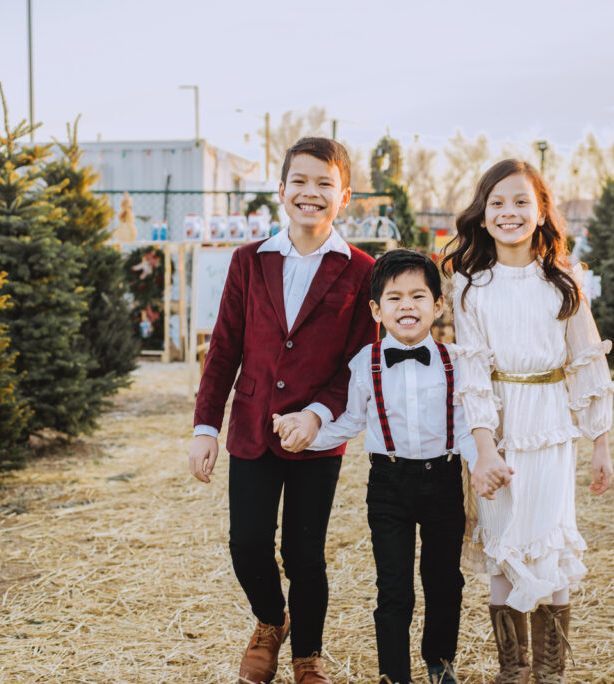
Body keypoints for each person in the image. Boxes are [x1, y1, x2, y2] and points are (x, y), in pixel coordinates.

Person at [188, 137, 378, 684]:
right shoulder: (249, 261)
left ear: (344, 197)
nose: (310, 193)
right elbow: (224, 349)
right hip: (251, 427)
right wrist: (205, 427)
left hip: (316, 437)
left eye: (324, 184)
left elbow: (356, 362)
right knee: (247, 543)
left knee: (304, 554)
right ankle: (270, 623)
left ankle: (307, 655)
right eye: (300, 181)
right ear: (281, 190)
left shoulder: (362, 270)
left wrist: (317, 415)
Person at [274, 249, 508, 684]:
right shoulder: (366, 363)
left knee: (444, 582)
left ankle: (439, 660)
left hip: (442, 481)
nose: (407, 306)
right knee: (393, 586)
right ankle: (393, 674)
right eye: (394, 298)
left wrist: (479, 466)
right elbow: (350, 421)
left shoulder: (457, 362)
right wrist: (306, 433)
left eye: (418, 296)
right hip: (388, 484)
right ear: (376, 310)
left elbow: (465, 430)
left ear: (438, 306)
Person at [441, 159, 614, 683]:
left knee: (549, 542)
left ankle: (550, 673)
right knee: (502, 546)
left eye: (521, 201)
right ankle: (513, 672)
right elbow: (471, 371)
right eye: (497, 202)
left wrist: (600, 442)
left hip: (551, 425)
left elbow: (588, 361)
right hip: (497, 428)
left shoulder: (563, 282)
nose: (509, 212)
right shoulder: (471, 287)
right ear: (482, 213)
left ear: (541, 212)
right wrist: (484, 448)